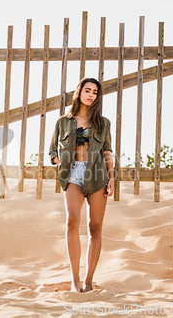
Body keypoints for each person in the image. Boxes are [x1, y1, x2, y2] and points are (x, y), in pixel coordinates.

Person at [49, 77, 114, 293]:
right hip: (72, 174)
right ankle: (74, 279)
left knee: (95, 227)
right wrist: (61, 163)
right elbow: (52, 151)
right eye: (88, 90)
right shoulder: (63, 122)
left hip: (97, 174)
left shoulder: (103, 123)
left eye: (95, 92)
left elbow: (107, 151)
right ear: (79, 92)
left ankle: (89, 280)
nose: (91, 95)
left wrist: (111, 177)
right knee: (72, 221)